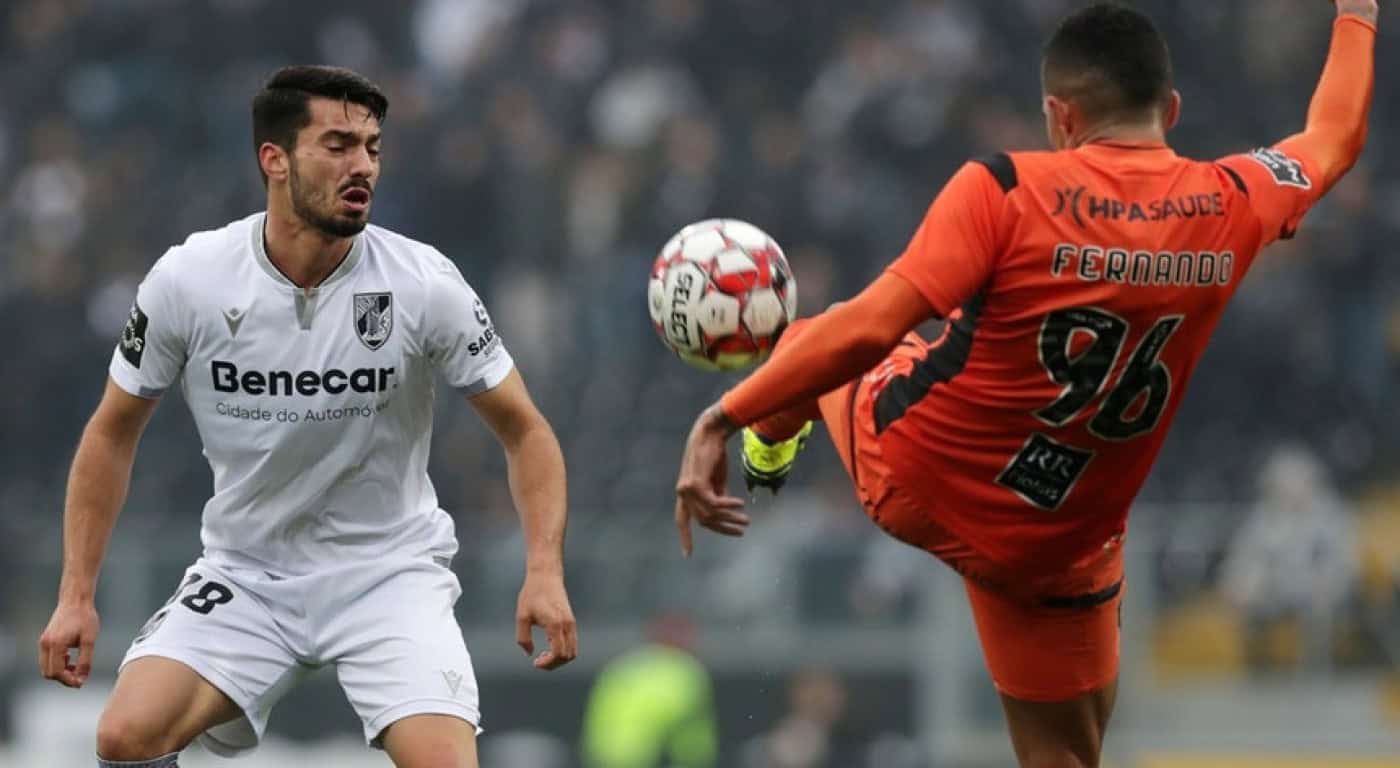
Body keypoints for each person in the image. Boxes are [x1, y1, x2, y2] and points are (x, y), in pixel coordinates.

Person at [672, 2, 1376, 766]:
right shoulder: (1231, 199)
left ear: (1058, 115)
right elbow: (1335, 136)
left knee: (824, 328)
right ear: (1171, 110)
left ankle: (766, 451)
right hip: (1061, 538)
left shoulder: (1005, 186)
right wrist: (1357, 12)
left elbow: (875, 328)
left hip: (925, 476)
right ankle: (771, 443)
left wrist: (723, 414)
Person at [37, 65, 578, 768]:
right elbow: (112, 430)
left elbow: (525, 429)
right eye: (338, 145)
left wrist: (544, 570)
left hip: (387, 574)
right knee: (123, 737)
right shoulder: (189, 280)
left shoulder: (423, 284)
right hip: (247, 572)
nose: (363, 167)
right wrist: (75, 595)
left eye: (373, 148)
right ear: (275, 160)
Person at [580, 615, 717, 768]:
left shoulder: (622, 665)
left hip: (603, 757)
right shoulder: (684, 669)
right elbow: (683, 720)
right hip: (648, 758)